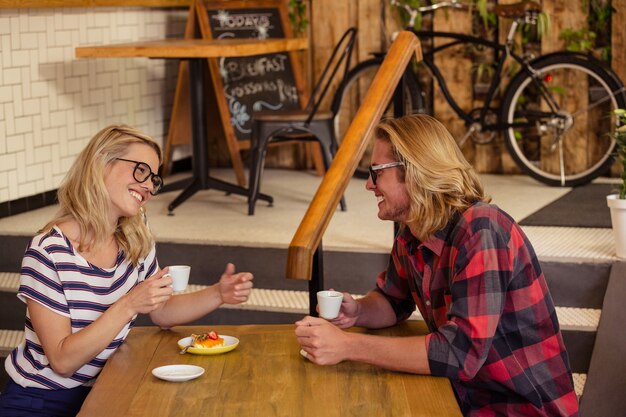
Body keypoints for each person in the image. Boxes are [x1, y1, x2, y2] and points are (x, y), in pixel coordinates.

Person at [295, 114, 579, 416]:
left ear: (415, 170)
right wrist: (358, 311)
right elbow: (394, 301)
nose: (368, 185)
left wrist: (348, 346)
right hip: (462, 396)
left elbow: (460, 353)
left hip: (519, 408)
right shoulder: (412, 234)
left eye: (376, 172)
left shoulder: (482, 229)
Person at [0, 125, 253, 417]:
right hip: (42, 399)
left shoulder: (134, 238)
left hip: (107, 389)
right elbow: (62, 360)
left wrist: (218, 294)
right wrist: (130, 304)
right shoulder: (48, 252)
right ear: (101, 164)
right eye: (141, 171)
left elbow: (162, 312)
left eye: (154, 179)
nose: (148, 186)